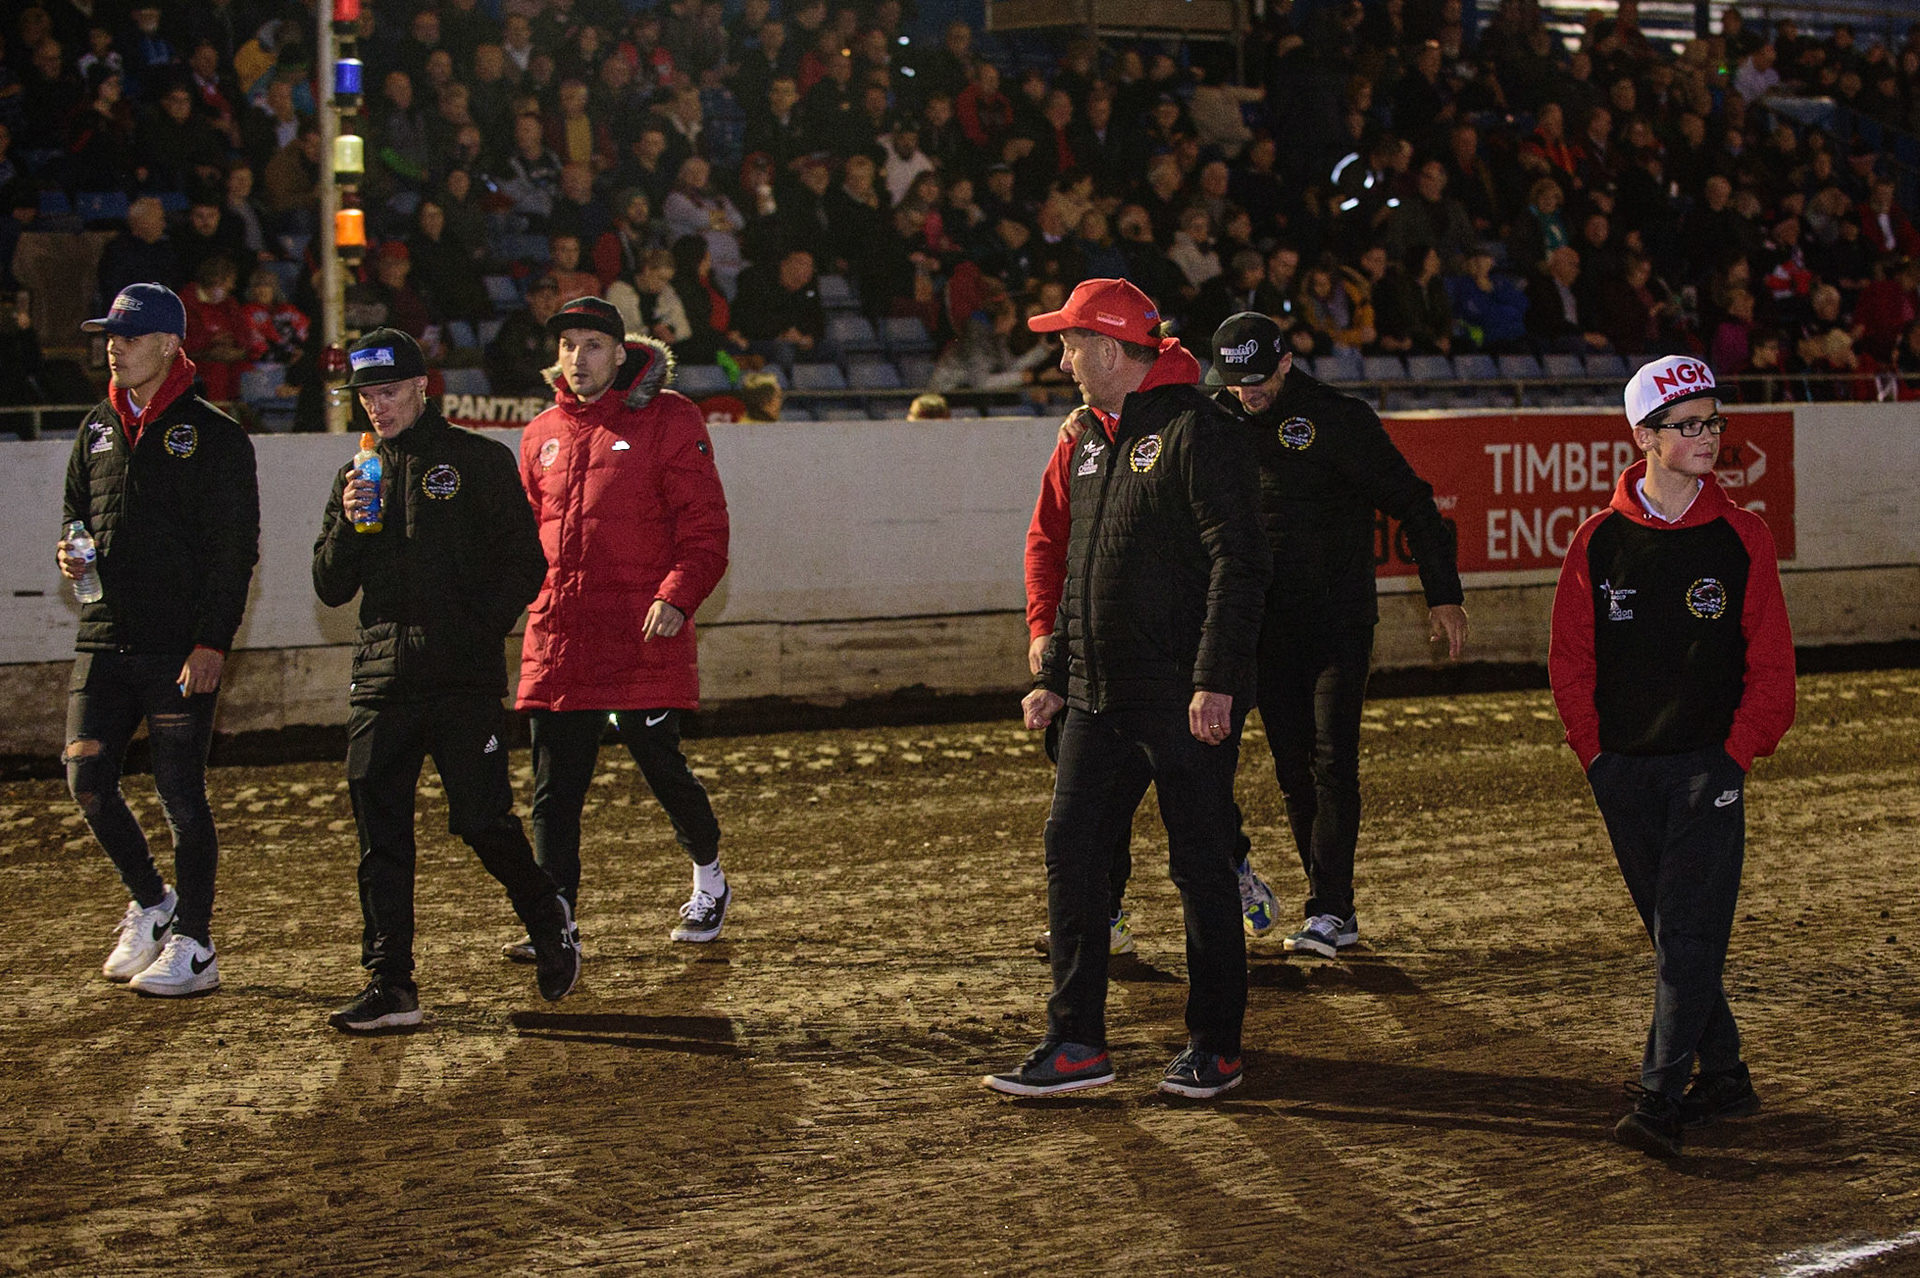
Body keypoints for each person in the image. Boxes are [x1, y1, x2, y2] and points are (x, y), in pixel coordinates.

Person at [985, 279, 1271, 1100]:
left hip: (1183, 696)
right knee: (1071, 850)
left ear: (1111, 351)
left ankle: (1216, 1045)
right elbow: (1078, 566)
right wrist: (1056, 672)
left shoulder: (1198, 432)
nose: (1063, 359)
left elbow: (1240, 565)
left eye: (1072, 344)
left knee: (1202, 866)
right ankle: (1076, 1042)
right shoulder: (1088, 437)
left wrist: (1216, 678)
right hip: (1099, 695)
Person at [1549, 355, 1796, 1158]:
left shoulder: (1744, 537)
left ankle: (1660, 1098)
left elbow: (1774, 672)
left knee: (1688, 934)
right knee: (1674, 933)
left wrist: (1732, 758)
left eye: (1714, 422)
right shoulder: (1596, 541)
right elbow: (1571, 661)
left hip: (1707, 772)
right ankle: (1724, 1074)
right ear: (1645, 436)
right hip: (1623, 770)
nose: (1709, 438)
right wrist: (1595, 756)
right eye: (1690, 425)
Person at [312, 328, 579, 1032]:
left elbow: (526, 562)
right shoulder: (354, 476)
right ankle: (390, 984)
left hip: (459, 680)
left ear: (422, 387)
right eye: (367, 395)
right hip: (378, 680)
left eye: (390, 390)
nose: (378, 406)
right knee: (381, 838)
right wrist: (348, 524)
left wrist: (473, 628)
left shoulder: (475, 461)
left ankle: (546, 914)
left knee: (482, 821)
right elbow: (330, 586)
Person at [1202, 312, 1469, 958]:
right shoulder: (1216, 419)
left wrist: (1444, 595)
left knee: (1330, 761)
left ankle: (1332, 910)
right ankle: (1326, 907)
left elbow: (1413, 499)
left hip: (1338, 623)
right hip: (1263, 628)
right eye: (1237, 381)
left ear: (1286, 363)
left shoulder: (1337, 418)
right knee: (1293, 770)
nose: (1249, 392)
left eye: (1260, 379)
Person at [512, 298, 734, 950]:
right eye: (568, 346)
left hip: (642, 635)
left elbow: (705, 530)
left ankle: (709, 877)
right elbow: (527, 544)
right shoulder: (539, 434)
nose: (578, 359)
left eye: (592, 346)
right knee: (554, 790)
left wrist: (676, 596)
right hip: (562, 639)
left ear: (621, 351)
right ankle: (556, 922)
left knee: (661, 768)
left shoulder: (670, 419)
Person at [58, 283, 260, 996]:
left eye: (130, 335)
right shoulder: (96, 429)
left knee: (180, 793)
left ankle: (196, 943)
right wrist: (73, 557)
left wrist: (212, 642)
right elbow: (76, 519)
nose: (114, 345)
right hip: (105, 635)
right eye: (110, 334)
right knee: (86, 778)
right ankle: (152, 902)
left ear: (171, 345)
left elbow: (234, 551)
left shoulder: (216, 436)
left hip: (178, 645)